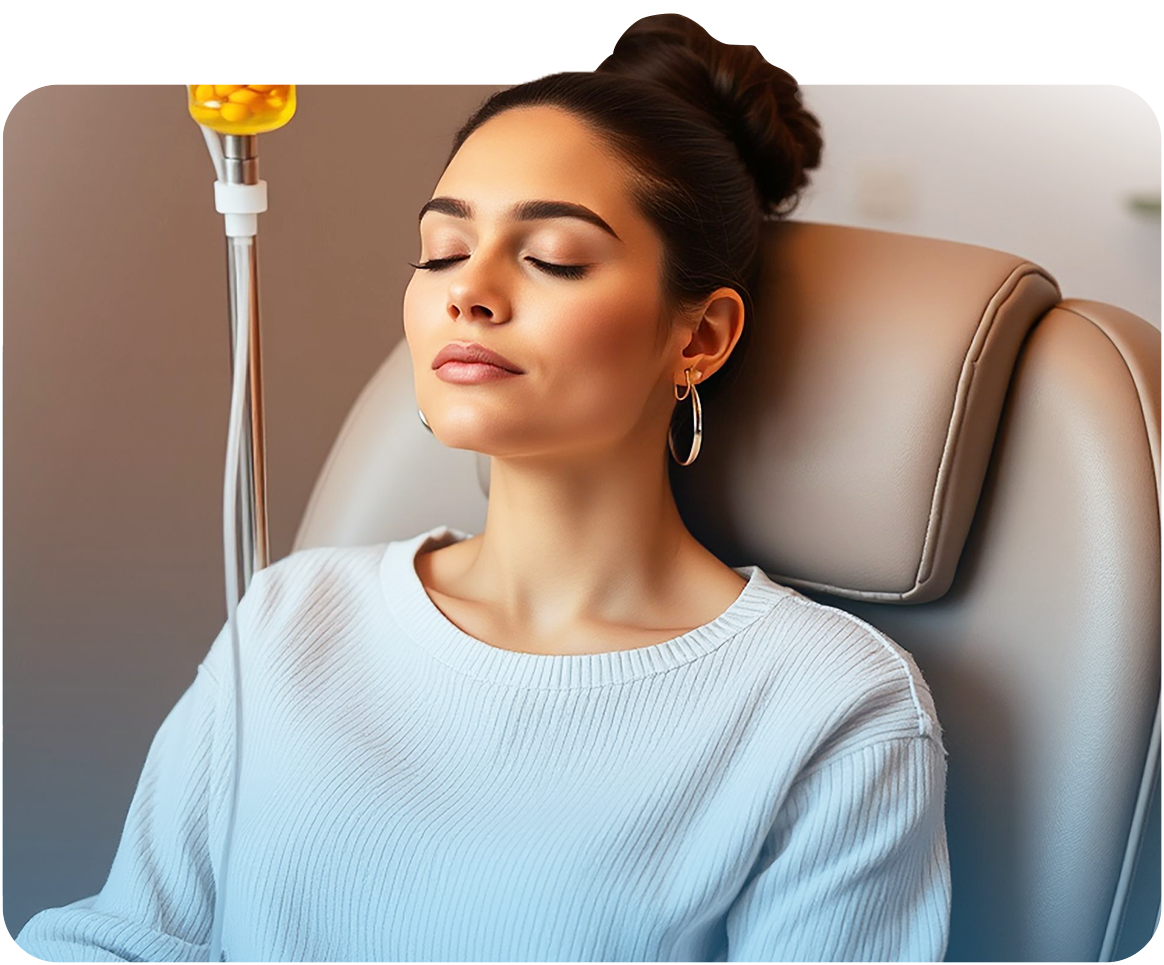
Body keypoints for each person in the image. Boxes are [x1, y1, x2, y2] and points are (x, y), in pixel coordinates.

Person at [10, 13, 951, 965]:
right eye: (442, 251)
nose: (470, 292)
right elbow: (125, 939)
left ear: (698, 336)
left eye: (553, 258)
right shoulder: (294, 614)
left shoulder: (829, 710)